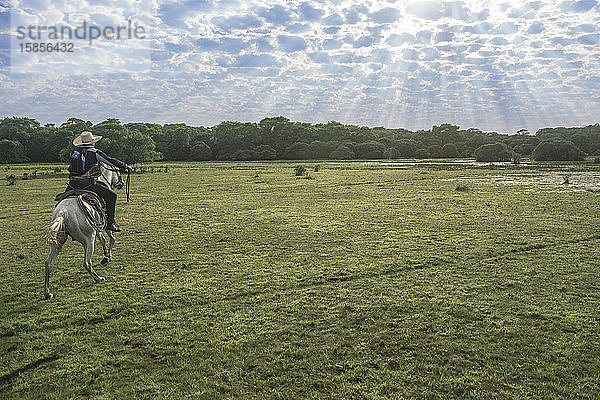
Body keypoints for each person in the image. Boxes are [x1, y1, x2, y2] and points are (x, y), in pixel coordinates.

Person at [67, 131, 132, 232]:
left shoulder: (74, 152)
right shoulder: (94, 152)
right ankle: (110, 223)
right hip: (87, 184)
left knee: (61, 199)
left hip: (72, 184)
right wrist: (125, 166)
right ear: (92, 142)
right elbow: (110, 161)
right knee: (112, 196)